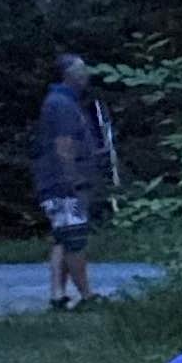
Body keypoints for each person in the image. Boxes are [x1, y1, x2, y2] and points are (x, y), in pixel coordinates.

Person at [32, 54, 115, 310]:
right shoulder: (61, 104)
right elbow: (63, 145)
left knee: (62, 237)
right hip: (65, 187)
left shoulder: (63, 102)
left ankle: (58, 296)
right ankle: (87, 296)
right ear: (67, 74)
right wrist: (74, 178)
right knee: (75, 239)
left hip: (58, 183)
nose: (86, 74)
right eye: (81, 70)